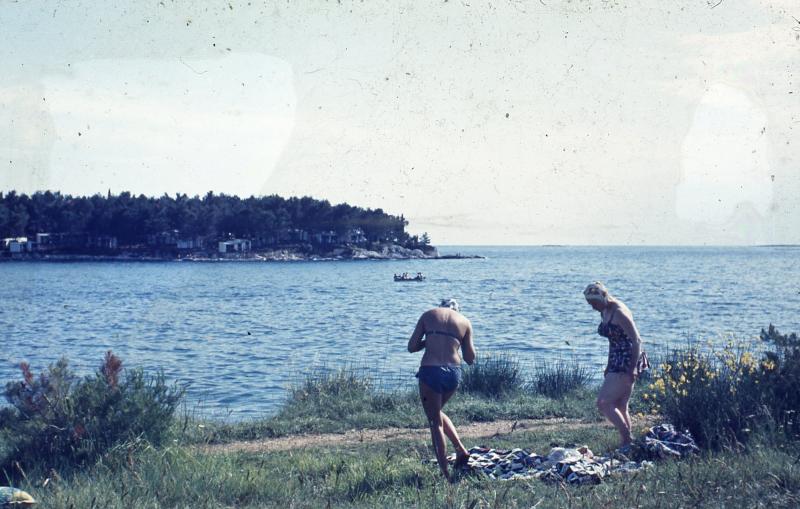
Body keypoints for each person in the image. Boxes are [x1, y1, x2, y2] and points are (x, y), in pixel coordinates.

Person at [407, 298, 476, 481]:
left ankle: (445, 474)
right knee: (436, 413)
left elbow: (411, 347)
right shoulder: (465, 321)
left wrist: (429, 340)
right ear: (457, 310)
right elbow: (470, 358)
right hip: (453, 373)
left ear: (441, 305)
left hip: (431, 371)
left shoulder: (429, 315)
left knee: (434, 422)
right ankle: (461, 450)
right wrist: (456, 341)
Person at [583, 282, 650, 450]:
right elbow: (613, 340)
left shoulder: (619, 313)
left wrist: (632, 368)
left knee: (603, 402)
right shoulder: (604, 310)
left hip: (628, 358)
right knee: (620, 404)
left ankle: (627, 437)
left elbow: (637, 341)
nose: (593, 308)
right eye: (590, 304)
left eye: (595, 303)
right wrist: (608, 363)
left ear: (604, 297)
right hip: (616, 357)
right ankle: (628, 444)